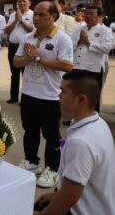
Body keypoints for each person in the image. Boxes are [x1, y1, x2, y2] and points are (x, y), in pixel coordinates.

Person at [34, 70, 115, 215]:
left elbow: (69, 197)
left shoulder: (81, 142)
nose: (59, 96)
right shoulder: (98, 122)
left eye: (63, 91)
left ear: (81, 99)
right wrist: (55, 196)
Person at [13, 1, 73, 188]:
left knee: (51, 135)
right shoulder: (28, 37)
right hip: (29, 93)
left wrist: (38, 58)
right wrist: (27, 58)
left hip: (50, 96)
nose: (36, 18)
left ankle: (52, 169)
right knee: (30, 131)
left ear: (53, 17)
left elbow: (67, 65)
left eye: (41, 15)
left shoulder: (62, 39)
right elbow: (16, 61)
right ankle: (31, 161)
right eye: (35, 15)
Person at [70, 6, 112, 113]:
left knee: (91, 96)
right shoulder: (79, 28)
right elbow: (69, 45)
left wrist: (88, 42)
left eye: (91, 14)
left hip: (93, 69)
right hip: (77, 66)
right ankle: (76, 117)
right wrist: (79, 41)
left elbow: (106, 48)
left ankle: (93, 118)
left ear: (99, 16)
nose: (88, 16)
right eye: (86, 13)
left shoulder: (105, 30)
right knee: (77, 94)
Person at [4, 0, 34, 103]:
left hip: (26, 48)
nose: (22, 3)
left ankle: (25, 99)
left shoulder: (33, 15)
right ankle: (14, 97)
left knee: (26, 74)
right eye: (19, 2)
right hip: (13, 46)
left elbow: (33, 30)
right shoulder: (13, 15)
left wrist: (21, 21)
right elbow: (7, 31)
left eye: (24, 1)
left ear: (29, 3)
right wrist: (16, 19)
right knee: (14, 73)